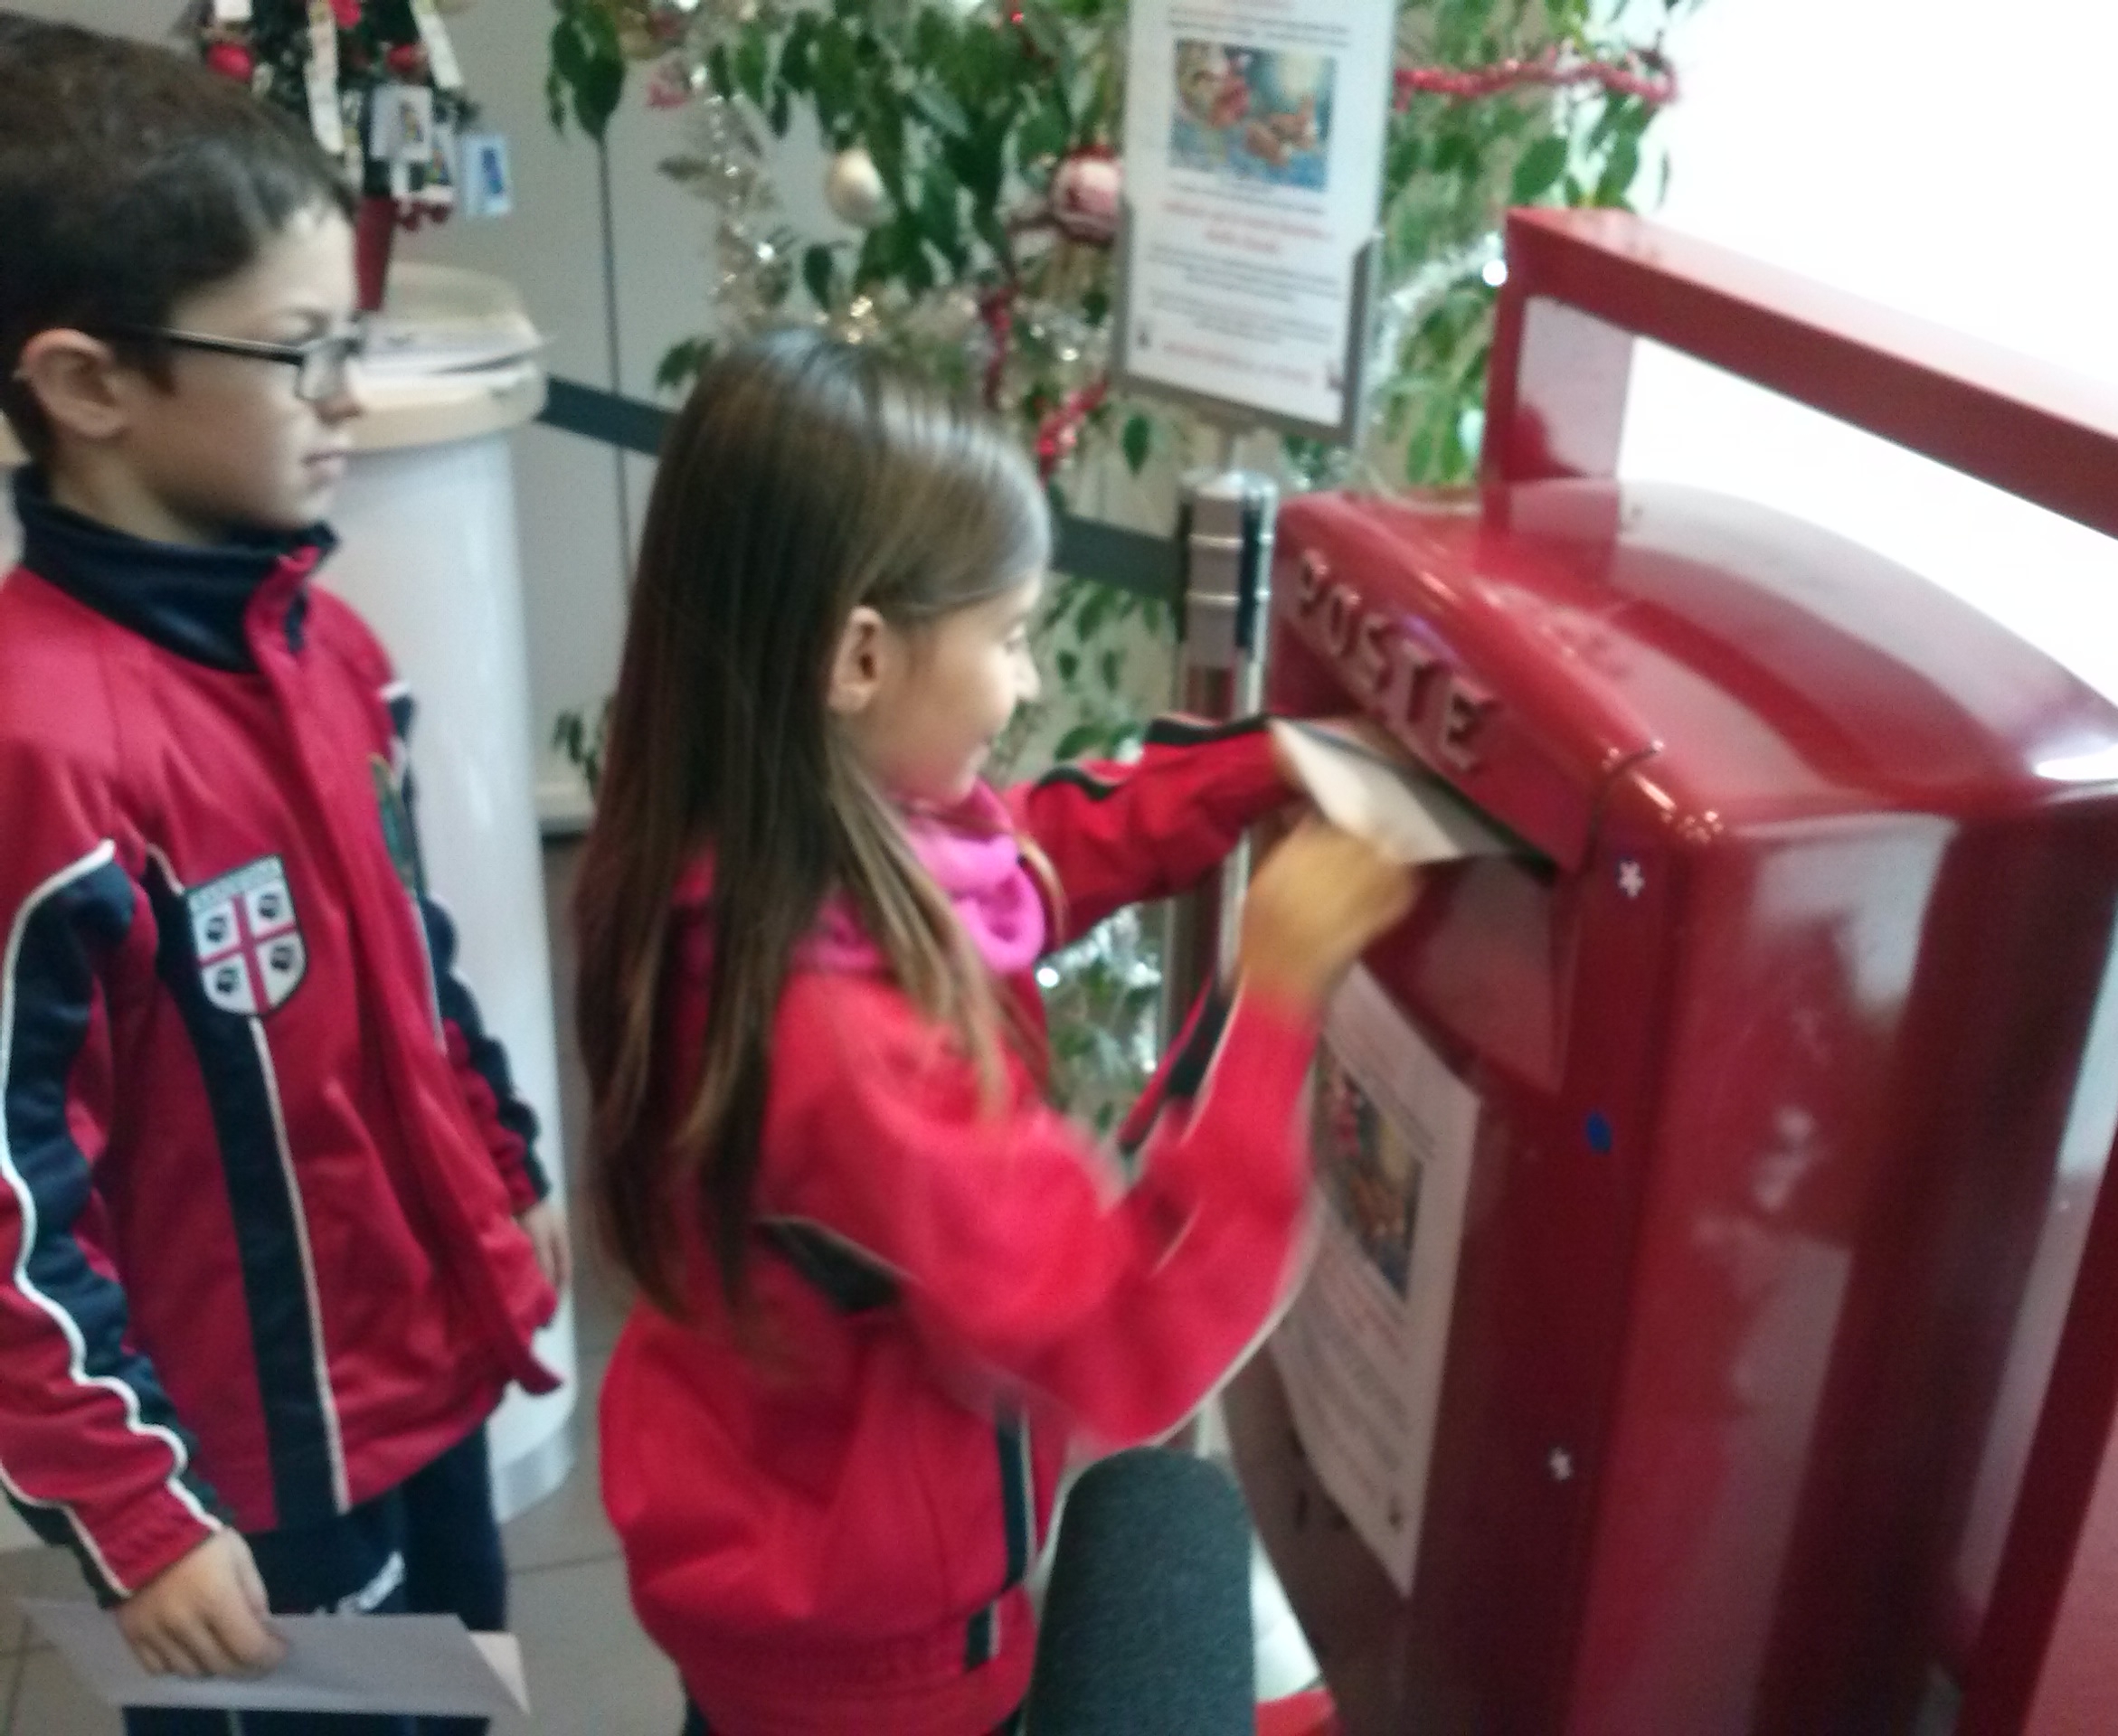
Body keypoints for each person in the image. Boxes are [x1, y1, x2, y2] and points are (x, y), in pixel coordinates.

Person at [577, 330, 1414, 1736]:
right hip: (881, 1663)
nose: (1025, 687)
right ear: (859, 657)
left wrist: (1251, 771)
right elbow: (1124, 1333)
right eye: (1011, 638)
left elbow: (1012, 860)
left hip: (766, 1532)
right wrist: (1274, 996)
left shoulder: (752, 845)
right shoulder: (841, 1048)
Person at [0, 17, 568, 1732]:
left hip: (420, 1385)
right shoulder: (39, 748)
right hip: (237, 1484)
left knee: (459, 1702)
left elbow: (413, 957)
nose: (347, 398)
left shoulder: (328, 648)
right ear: (88, 385)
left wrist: (504, 1157)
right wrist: (134, 1511)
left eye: (352, 344)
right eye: (296, 353)